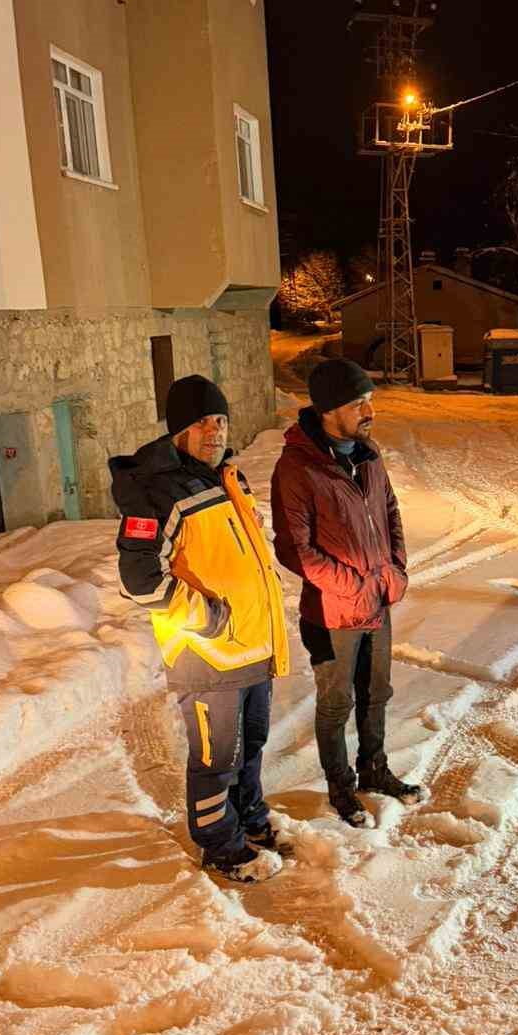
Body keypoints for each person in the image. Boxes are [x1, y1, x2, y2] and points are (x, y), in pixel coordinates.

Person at [110, 374, 290, 883]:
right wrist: (207, 616)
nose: (215, 430)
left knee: (250, 744)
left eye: (221, 420)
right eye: (202, 422)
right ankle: (219, 844)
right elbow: (139, 579)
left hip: (250, 647)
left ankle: (250, 821)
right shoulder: (156, 493)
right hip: (208, 657)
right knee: (217, 757)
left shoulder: (228, 477)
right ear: (178, 431)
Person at [271, 358, 425, 826]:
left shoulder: (368, 454)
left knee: (377, 692)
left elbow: (391, 511)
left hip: (378, 600)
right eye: (359, 402)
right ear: (330, 409)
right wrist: (353, 585)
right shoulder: (297, 467)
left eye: (369, 400)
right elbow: (294, 549)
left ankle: (374, 770)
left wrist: (395, 568)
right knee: (337, 703)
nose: (369, 409)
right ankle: (340, 788)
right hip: (332, 613)